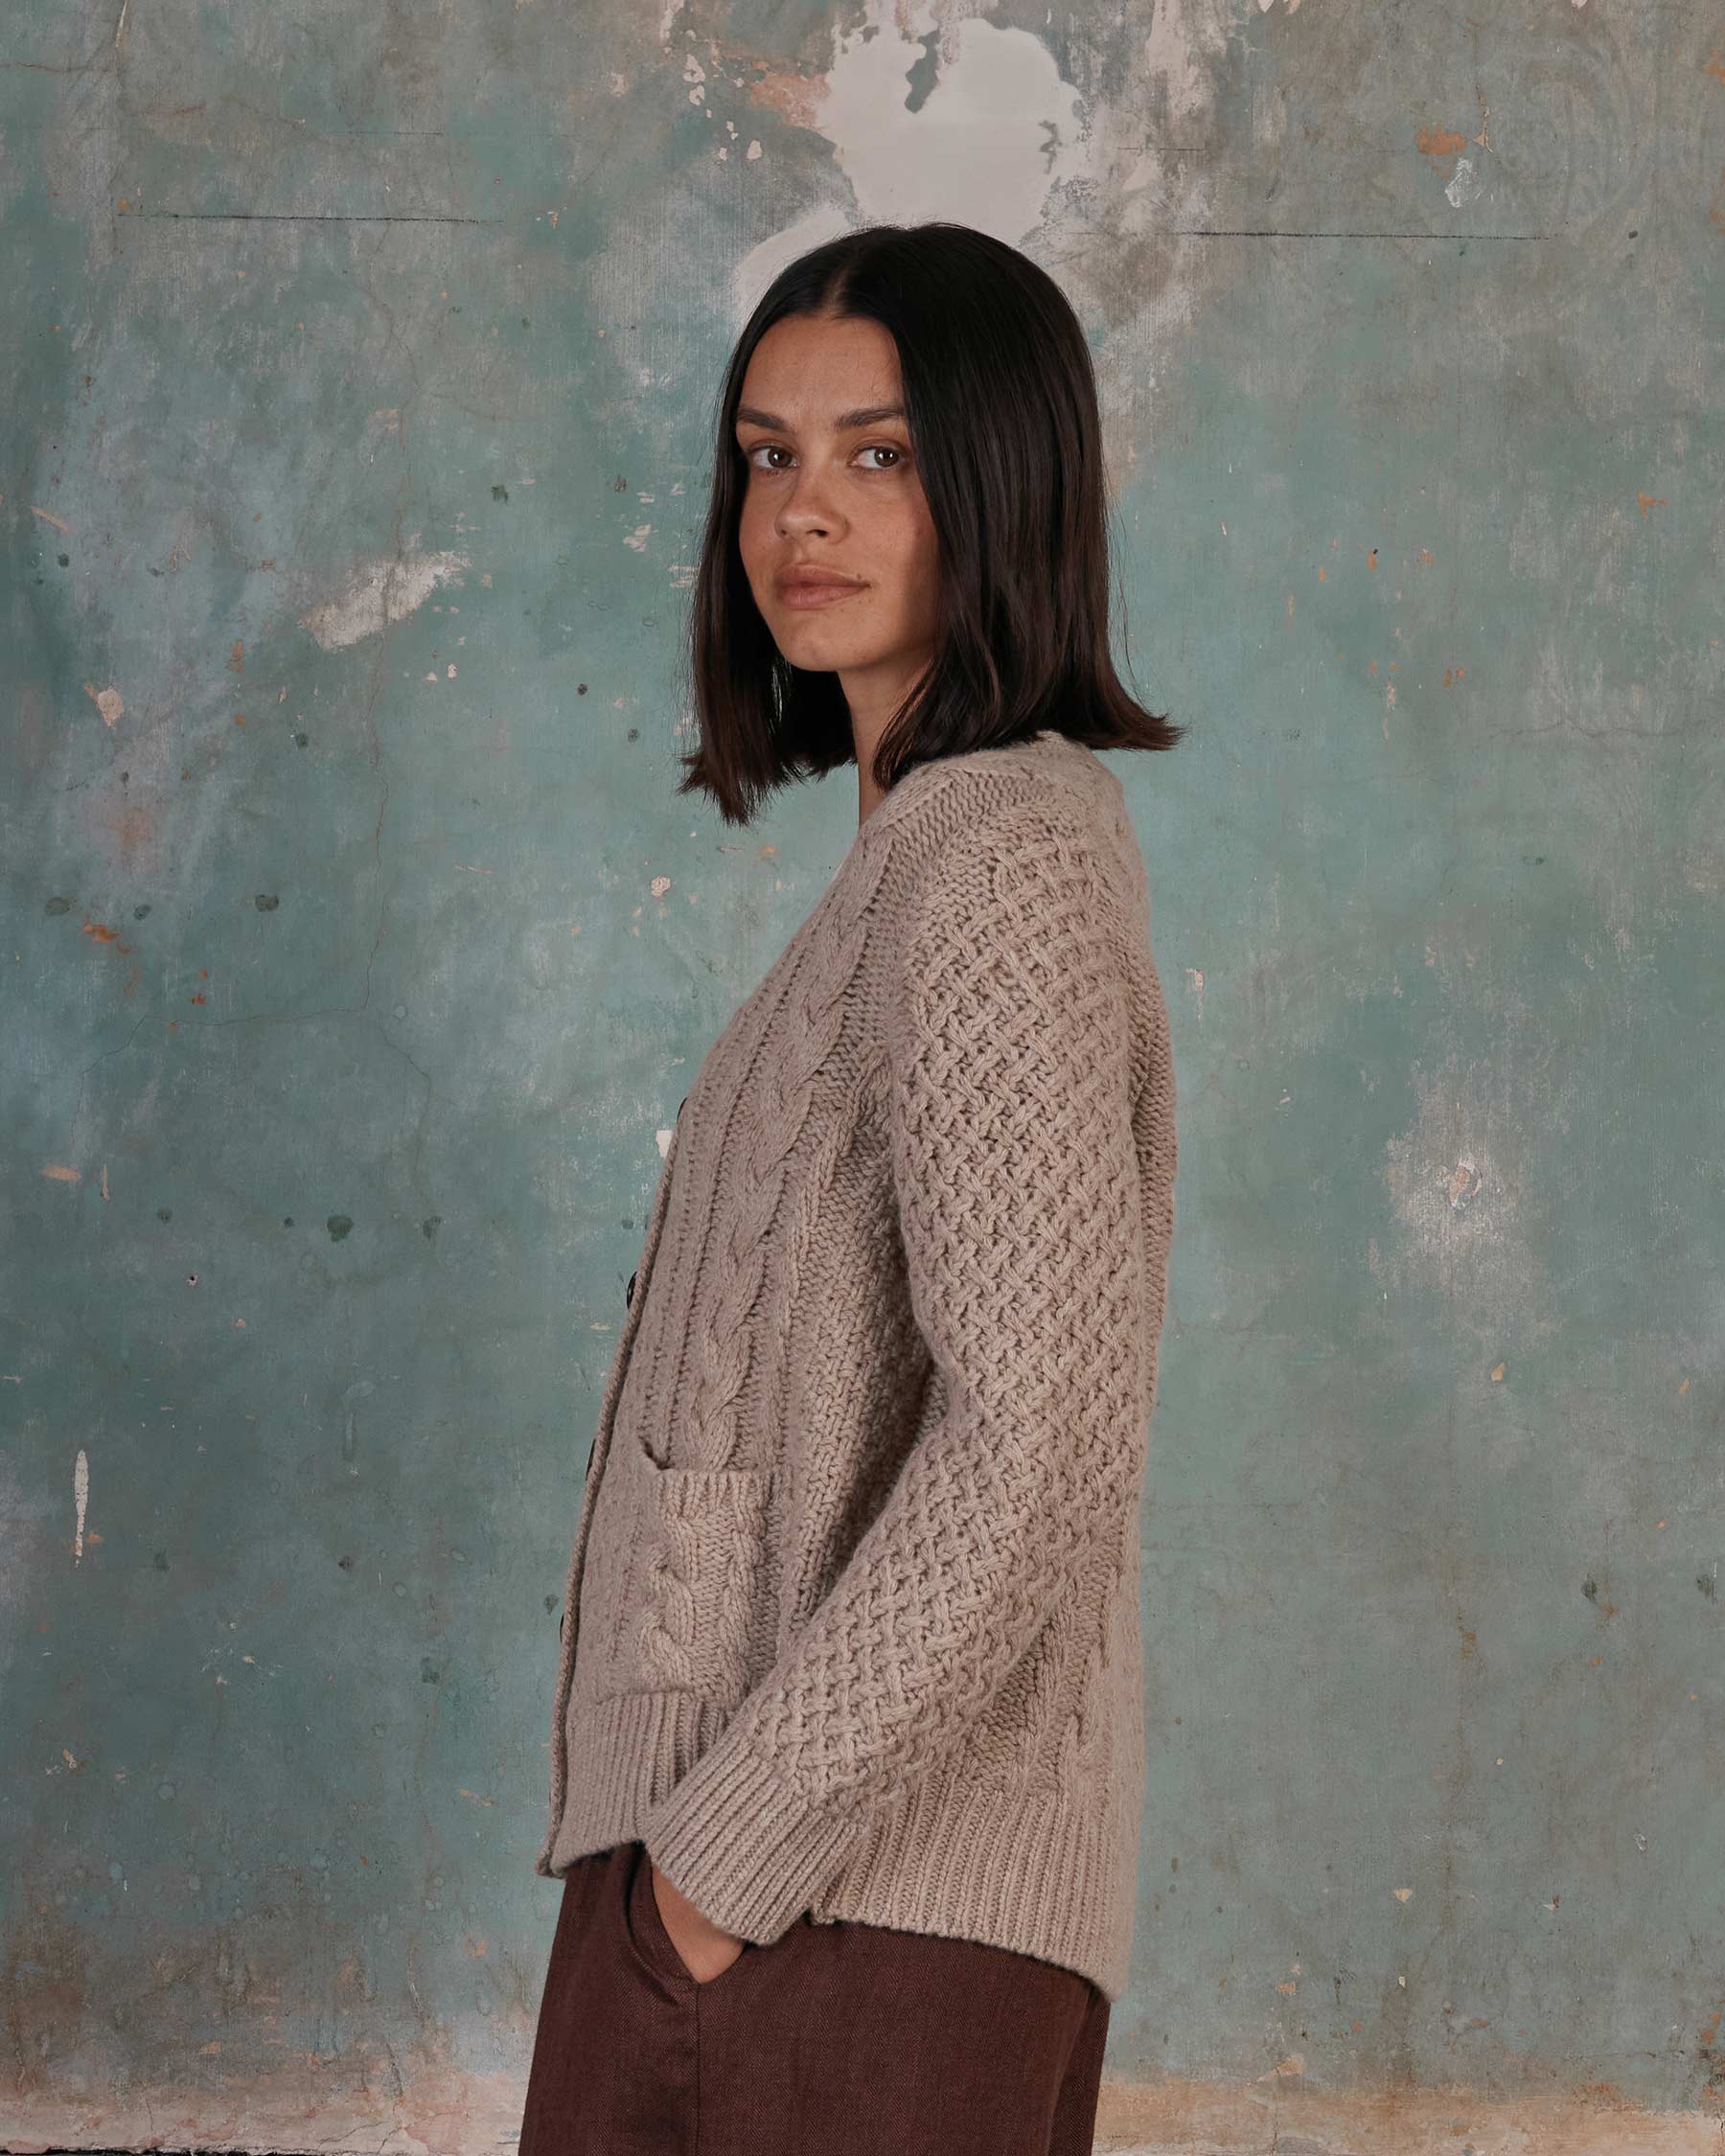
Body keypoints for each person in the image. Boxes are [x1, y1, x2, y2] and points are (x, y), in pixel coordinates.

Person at [518, 219, 1184, 2156]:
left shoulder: (994, 867)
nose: (803, 511)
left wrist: (716, 1875)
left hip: (832, 1918)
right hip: (785, 1901)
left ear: (1002, 481)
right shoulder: (920, 865)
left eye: (877, 454)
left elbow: (1037, 1443)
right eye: (765, 453)